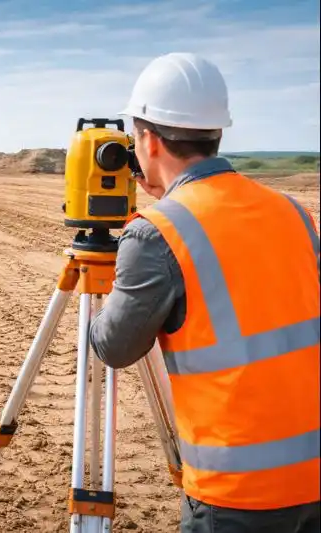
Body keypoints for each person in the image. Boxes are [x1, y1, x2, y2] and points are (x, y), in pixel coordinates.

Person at [88, 52, 320, 532]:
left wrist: (95, 309)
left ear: (148, 140)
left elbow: (115, 346)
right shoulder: (290, 211)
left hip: (238, 495)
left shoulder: (156, 234)